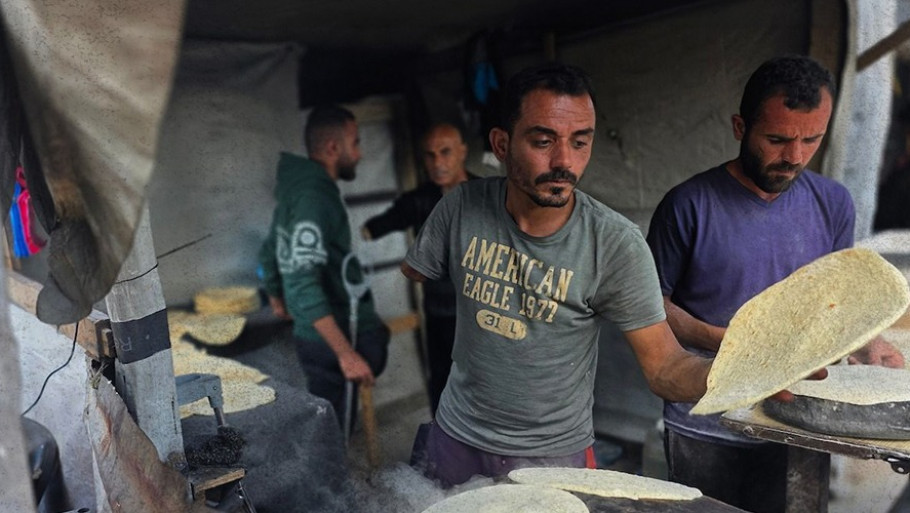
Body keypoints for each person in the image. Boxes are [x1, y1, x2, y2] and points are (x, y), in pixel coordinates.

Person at [401, 62, 713, 488]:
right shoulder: (459, 207)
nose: (565, 161)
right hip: (455, 433)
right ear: (501, 143)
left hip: (550, 454)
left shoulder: (614, 243)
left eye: (580, 142)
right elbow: (416, 270)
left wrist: (743, 377)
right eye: (543, 141)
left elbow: (665, 367)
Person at [646, 55, 905, 513]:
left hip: (800, 417)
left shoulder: (833, 203)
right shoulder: (688, 205)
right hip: (709, 419)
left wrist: (868, 340)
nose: (796, 156)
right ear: (739, 126)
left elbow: (837, 298)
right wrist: (735, 346)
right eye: (778, 139)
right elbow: (651, 305)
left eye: (812, 139)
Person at [258, 105, 390, 429]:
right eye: (355, 143)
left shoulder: (296, 189)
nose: (359, 154)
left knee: (329, 418)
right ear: (333, 148)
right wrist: (346, 354)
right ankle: (334, 473)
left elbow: (270, 250)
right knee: (335, 428)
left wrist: (276, 295)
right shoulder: (314, 196)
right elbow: (304, 281)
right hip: (334, 335)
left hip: (310, 332)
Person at [362, 123, 479, 415]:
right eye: (430, 155)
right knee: (442, 384)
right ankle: (445, 451)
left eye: (445, 152)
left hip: (481, 313)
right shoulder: (420, 200)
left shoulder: (487, 197)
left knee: (483, 384)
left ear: (462, 152)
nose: (438, 163)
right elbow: (374, 227)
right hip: (439, 312)